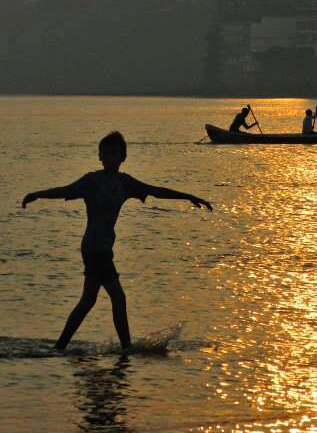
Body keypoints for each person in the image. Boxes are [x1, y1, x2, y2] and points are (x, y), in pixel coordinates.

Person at [21, 130, 212, 351]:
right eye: (106, 153)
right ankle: (126, 348)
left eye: (115, 153)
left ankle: (60, 347)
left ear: (123, 157)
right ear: (99, 156)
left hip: (103, 249)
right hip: (94, 249)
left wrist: (189, 196)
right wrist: (37, 194)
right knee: (118, 298)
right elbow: (65, 190)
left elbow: (155, 191)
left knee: (88, 301)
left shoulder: (125, 183)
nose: (110, 158)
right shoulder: (91, 181)